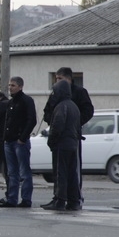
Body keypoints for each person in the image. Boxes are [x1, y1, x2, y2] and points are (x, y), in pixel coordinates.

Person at [42, 67, 93, 207]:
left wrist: (73, 125)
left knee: (67, 171)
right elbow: (48, 111)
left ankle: (68, 199)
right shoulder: (57, 97)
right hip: (66, 138)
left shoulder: (77, 94)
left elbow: (87, 112)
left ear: (69, 79)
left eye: (60, 79)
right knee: (63, 171)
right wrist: (50, 120)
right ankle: (66, 198)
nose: (57, 82)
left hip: (68, 137)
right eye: (56, 79)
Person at [41, 80, 81, 211]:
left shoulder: (61, 106)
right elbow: (78, 127)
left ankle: (59, 200)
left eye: (55, 91)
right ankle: (73, 201)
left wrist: (51, 141)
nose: (53, 94)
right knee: (72, 174)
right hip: (72, 144)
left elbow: (57, 126)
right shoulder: (74, 106)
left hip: (62, 144)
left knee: (60, 173)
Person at [0, 76, 37, 208]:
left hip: (20, 142)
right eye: (9, 85)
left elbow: (32, 120)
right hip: (8, 141)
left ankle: (26, 199)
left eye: (13, 85)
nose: (10, 88)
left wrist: (22, 138)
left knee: (24, 172)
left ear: (20, 87)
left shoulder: (26, 101)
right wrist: (5, 137)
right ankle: (12, 199)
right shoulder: (10, 102)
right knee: (11, 172)